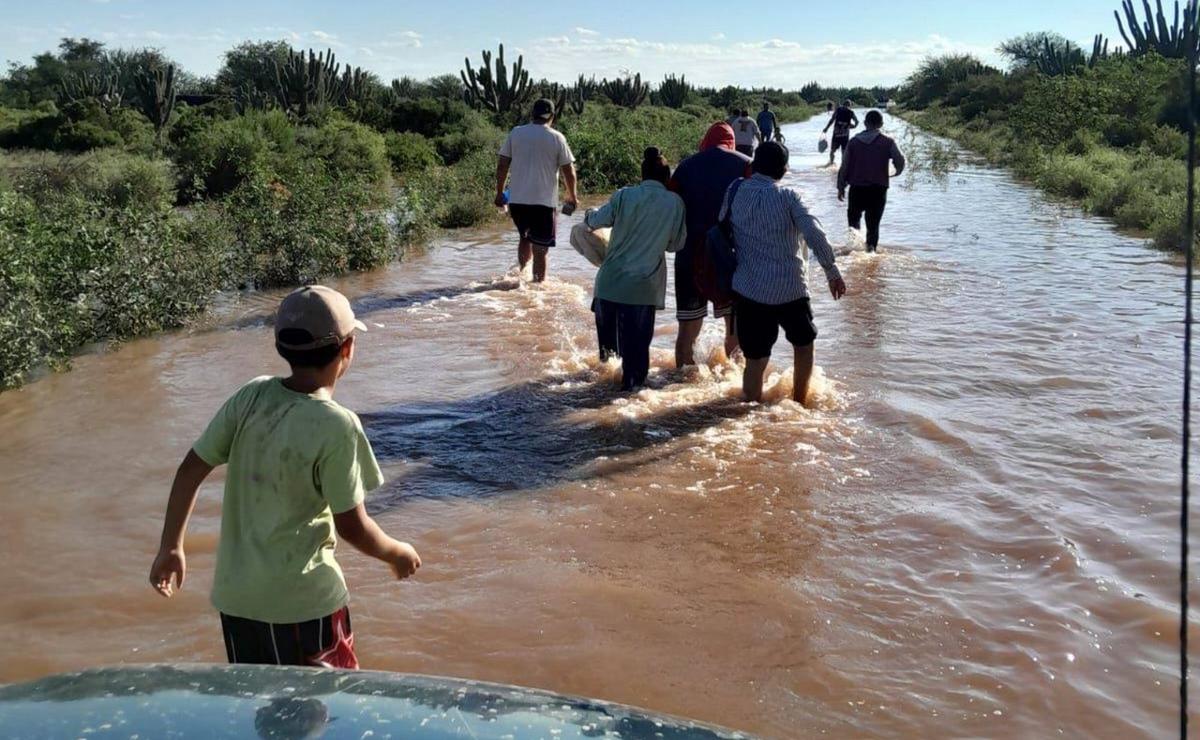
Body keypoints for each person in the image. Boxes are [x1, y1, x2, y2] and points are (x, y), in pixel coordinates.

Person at [149, 285, 421, 669]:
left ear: (280, 347)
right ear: (347, 350)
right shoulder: (338, 425)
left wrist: (171, 547)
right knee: (323, 715)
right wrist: (397, 553)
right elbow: (353, 527)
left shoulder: (251, 396)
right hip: (305, 606)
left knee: (264, 712)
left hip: (237, 602)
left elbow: (191, 469)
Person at [721, 142, 846, 405]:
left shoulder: (734, 191)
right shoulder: (789, 197)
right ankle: (800, 403)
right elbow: (814, 234)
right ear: (784, 169)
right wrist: (831, 270)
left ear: (753, 165)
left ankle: (750, 408)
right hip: (790, 289)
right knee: (803, 345)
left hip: (749, 289)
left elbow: (722, 226)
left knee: (755, 359)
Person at [584, 148, 686, 391]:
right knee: (635, 370)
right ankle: (627, 418)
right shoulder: (675, 203)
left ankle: (599, 410)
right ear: (667, 177)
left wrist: (588, 215)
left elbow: (595, 221)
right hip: (642, 290)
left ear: (641, 175)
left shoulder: (624, 196)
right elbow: (675, 245)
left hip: (608, 285)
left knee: (607, 362)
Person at [668, 122, 752, 367]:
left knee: (687, 331)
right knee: (734, 331)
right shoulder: (746, 164)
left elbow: (672, 208)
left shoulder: (685, 167)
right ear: (731, 142)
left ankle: (682, 383)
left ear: (705, 141)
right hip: (729, 258)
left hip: (689, 255)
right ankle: (731, 390)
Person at [495, 98, 579, 282]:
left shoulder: (516, 133)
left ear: (532, 114)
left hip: (517, 201)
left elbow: (502, 165)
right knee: (540, 249)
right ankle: (536, 289)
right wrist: (572, 196)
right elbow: (569, 171)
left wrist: (500, 193)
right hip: (543, 203)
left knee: (524, 238)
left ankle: (522, 275)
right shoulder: (556, 137)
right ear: (552, 116)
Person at [838, 110, 906, 253]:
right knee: (873, 225)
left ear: (864, 123)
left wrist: (840, 187)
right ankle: (870, 252)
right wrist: (897, 171)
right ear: (881, 124)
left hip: (857, 189)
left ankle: (853, 252)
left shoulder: (854, 142)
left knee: (853, 223)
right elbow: (900, 160)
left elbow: (844, 166)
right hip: (878, 189)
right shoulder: (888, 141)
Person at [823, 99, 858, 166]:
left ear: (843, 104)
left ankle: (831, 163)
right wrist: (852, 126)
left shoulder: (838, 110)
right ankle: (843, 166)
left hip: (836, 134)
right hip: (845, 135)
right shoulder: (851, 112)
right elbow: (857, 122)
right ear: (850, 105)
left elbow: (832, 120)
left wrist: (826, 128)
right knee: (844, 152)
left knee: (832, 151)